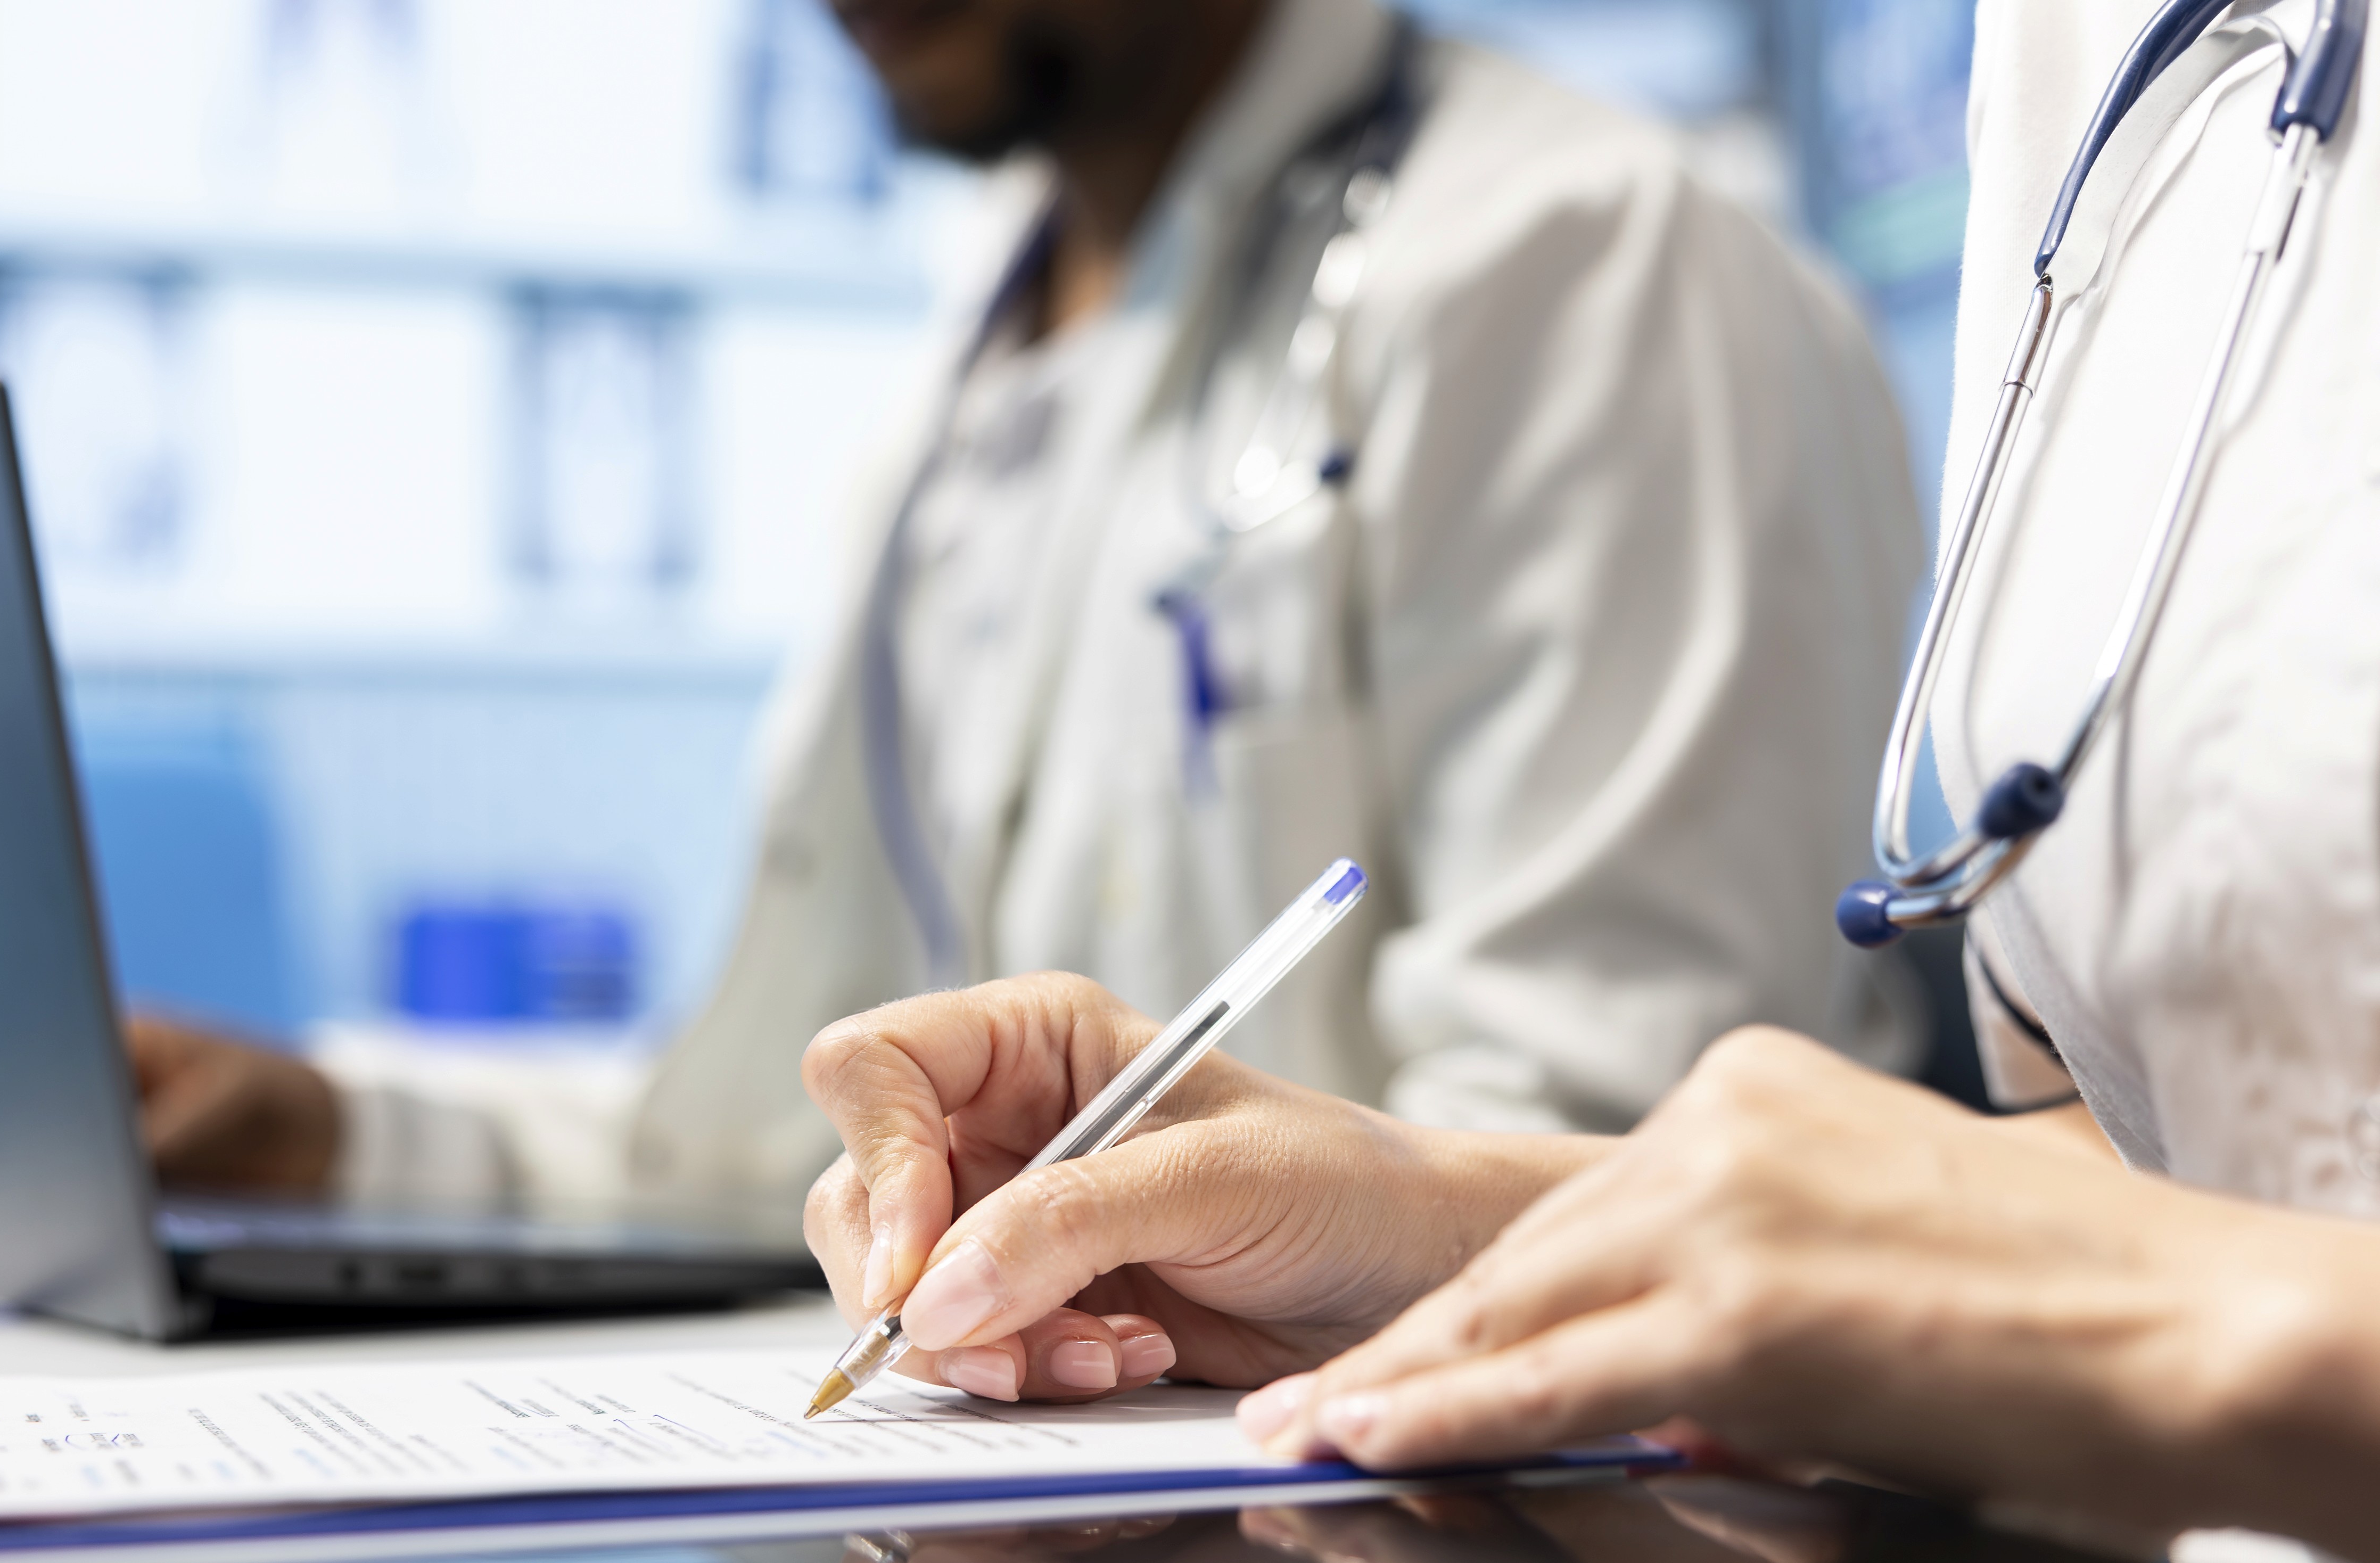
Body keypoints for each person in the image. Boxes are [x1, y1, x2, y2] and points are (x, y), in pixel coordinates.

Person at [794, 0, 2380, 1563]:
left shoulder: (1593, 253)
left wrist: (2181, 1334)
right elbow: (2195, 1145)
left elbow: (2174, 1270)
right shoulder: (2083, 49)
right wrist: (1424, 1221)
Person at [129, 0, 1922, 1222]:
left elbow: (1622, 1171)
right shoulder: (980, 361)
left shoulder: (1592, 265)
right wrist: (353, 1135)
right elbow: (806, 1127)